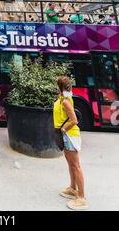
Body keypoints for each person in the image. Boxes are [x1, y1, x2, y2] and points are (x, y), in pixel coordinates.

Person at [53, 76, 89, 211]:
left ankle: (81, 198)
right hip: (67, 135)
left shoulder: (65, 102)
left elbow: (74, 120)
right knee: (71, 164)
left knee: (76, 166)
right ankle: (73, 188)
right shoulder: (63, 99)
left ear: (60, 88)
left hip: (70, 135)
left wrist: (63, 129)